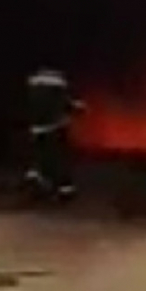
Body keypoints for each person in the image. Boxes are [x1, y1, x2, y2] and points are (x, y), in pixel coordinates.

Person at [24, 67, 85, 203]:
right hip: (54, 130)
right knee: (57, 159)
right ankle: (63, 189)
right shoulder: (56, 91)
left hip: (37, 130)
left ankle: (39, 182)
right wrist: (77, 108)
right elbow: (68, 105)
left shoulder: (33, 92)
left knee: (40, 158)